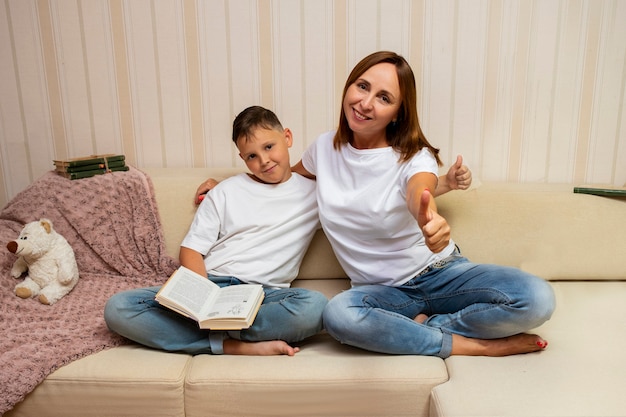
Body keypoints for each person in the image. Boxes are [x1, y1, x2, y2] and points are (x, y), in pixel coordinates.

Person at [289, 51, 555, 358]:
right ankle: (472, 345)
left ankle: (430, 326)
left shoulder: (414, 156)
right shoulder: (323, 149)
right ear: (349, 86)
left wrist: (429, 218)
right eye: (362, 87)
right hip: (381, 294)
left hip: (441, 273)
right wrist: (226, 186)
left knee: (538, 298)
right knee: (339, 315)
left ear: (398, 112)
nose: (365, 103)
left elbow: (420, 190)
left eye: (384, 97)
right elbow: (282, 180)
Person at [104, 106, 327, 356]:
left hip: (262, 296)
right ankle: (229, 344)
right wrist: (204, 298)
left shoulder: (316, 195)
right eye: (252, 156)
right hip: (212, 283)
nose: (264, 160)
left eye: (269, 147)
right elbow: (191, 250)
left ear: (287, 137)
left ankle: (213, 334)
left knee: (315, 308)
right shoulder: (225, 191)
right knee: (119, 308)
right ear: (242, 158)